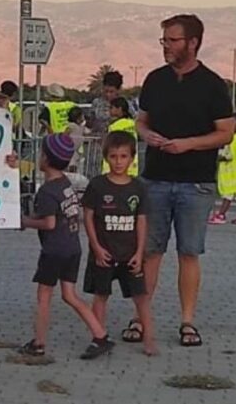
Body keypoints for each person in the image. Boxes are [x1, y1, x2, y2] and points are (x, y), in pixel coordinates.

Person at [134, 14, 234, 348]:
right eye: (163, 40)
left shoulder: (212, 84)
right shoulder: (155, 80)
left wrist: (188, 144)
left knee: (189, 251)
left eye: (172, 40)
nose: (166, 46)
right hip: (155, 179)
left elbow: (226, 133)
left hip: (196, 182)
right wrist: (146, 134)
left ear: (193, 43)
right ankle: (141, 317)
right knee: (150, 251)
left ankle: (187, 321)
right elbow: (141, 121)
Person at [18, 134, 114, 360]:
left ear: (46, 159)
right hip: (72, 246)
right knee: (69, 294)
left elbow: (49, 223)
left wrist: (25, 222)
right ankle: (100, 334)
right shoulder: (65, 184)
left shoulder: (47, 191)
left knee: (44, 296)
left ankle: (38, 343)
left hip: (54, 250)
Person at [83, 131, 157, 356]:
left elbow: (142, 221)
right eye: (113, 156)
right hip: (104, 252)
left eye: (124, 156)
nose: (118, 162)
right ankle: (98, 337)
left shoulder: (139, 187)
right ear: (106, 157)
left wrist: (139, 252)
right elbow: (88, 217)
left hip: (130, 254)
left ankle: (149, 339)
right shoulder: (97, 185)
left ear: (132, 158)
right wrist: (96, 248)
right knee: (100, 295)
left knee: (141, 297)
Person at [101, 97, 139, 177]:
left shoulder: (114, 126)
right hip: (131, 164)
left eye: (111, 108)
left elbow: (110, 145)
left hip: (115, 167)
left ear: (119, 109)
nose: (109, 110)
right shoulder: (133, 123)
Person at [65, 106, 89, 173]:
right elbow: (65, 134)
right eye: (82, 116)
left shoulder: (81, 127)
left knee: (75, 164)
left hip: (76, 150)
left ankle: (73, 175)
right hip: (69, 149)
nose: (83, 117)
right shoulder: (72, 126)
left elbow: (88, 132)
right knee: (72, 165)